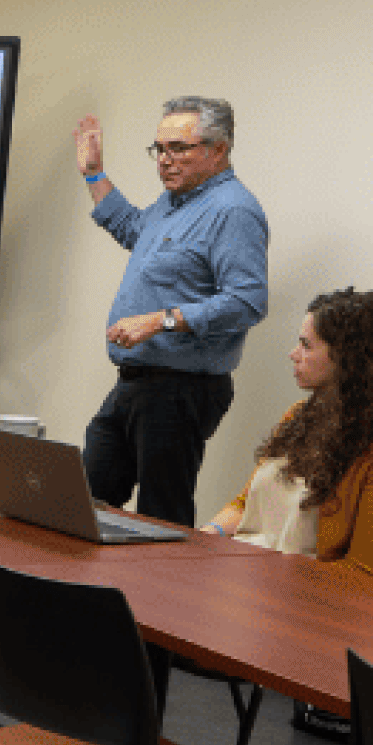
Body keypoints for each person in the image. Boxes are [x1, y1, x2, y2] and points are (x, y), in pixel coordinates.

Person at [73, 97, 269, 527]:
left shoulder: (233, 211)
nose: (164, 160)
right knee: (83, 499)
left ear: (219, 149)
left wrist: (160, 320)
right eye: (159, 149)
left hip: (181, 389)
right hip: (136, 383)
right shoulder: (173, 203)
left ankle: (157, 596)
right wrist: (94, 172)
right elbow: (131, 228)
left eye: (178, 148)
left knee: (160, 520)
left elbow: (247, 301)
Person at [202, 288, 373, 579]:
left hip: (302, 600)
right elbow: (244, 507)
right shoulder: (298, 415)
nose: (293, 354)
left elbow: (361, 576)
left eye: (306, 345)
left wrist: (267, 582)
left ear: (349, 357)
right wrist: (206, 537)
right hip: (245, 577)